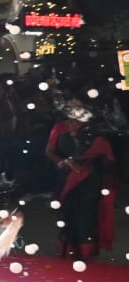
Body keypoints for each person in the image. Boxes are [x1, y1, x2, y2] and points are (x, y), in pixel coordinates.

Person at [45, 100, 115, 262]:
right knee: (66, 211)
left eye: (78, 106)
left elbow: (108, 157)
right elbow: (49, 151)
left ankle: (85, 249)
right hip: (66, 176)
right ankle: (67, 247)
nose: (75, 109)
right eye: (71, 106)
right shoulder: (60, 127)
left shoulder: (95, 130)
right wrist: (62, 162)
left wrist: (88, 159)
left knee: (86, 212)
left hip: (89, 176)